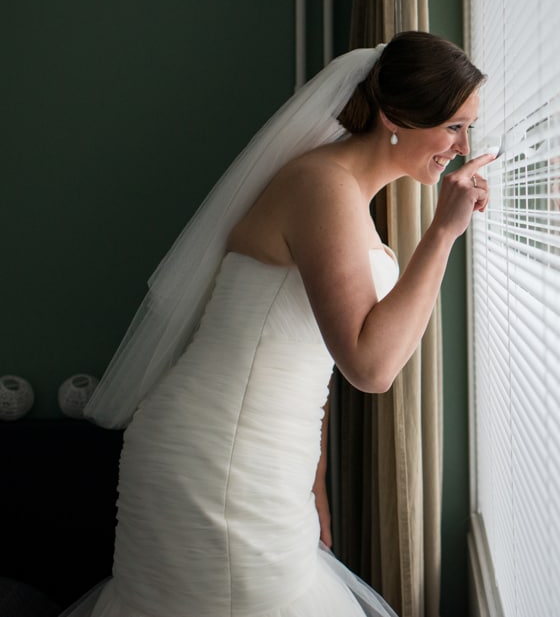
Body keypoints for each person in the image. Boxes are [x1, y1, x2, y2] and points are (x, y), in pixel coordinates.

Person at [64, 32, 493, 617]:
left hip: (268, 457)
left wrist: (312, 486)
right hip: (216, 459)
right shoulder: (322, 187)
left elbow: (300, 357)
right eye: (453, 127)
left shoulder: (341, 191)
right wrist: (442, 233)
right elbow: (369, 366)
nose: (463, 147)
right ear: (396, 116)